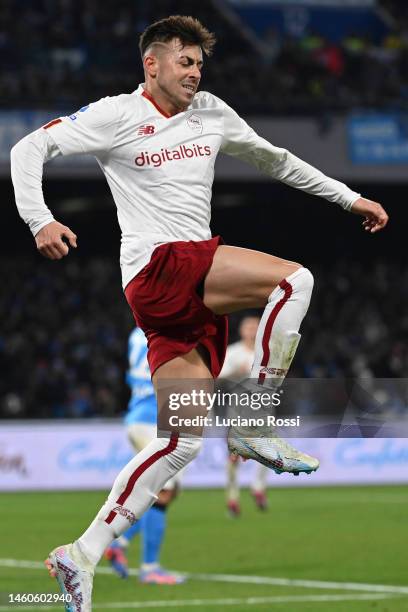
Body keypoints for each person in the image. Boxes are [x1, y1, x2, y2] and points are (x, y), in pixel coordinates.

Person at [10, 15, 388, 611]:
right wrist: (41, 219)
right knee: (295, 280)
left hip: (178, 306)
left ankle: (80, 553)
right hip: (161, 266)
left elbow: (277, 159)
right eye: (184, 62)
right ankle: (254, 421)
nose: (194, 72)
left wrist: (348, 197)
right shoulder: (116, 115)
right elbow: (30, 146)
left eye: (199, 64)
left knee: (180, 443)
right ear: (151, 65)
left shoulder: (211, 111)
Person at [104, 327, 184, 584]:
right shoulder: (169, 332)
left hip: (140, 417)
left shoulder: (137, 333)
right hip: (154, 420)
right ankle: (150, 568)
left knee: (165, 492)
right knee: (162, 493)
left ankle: (120, 542)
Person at [220, 315, 269, 516]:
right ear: (242, 331)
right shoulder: (232, 352)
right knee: (234, 457)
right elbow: (219, 376)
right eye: (248, 327)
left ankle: (257, 488)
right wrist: (236, 373)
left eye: (255, 327)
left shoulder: (266, 353)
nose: (251, 330)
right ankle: (232, 498)